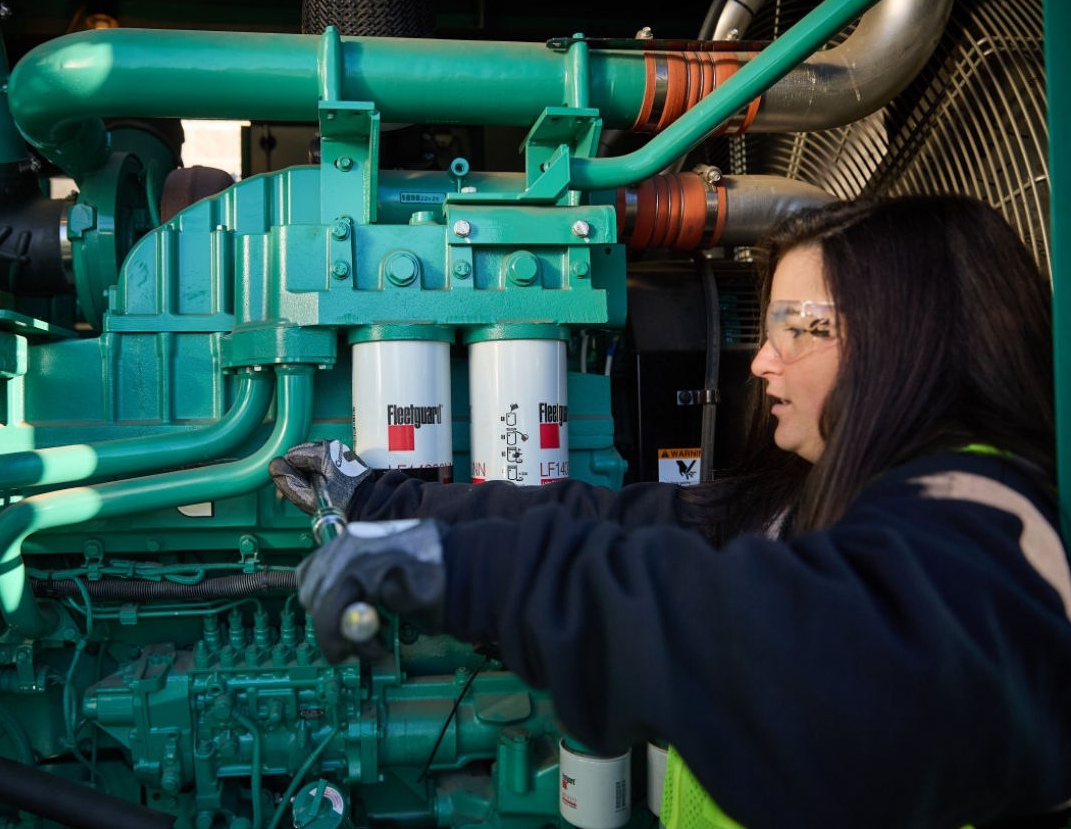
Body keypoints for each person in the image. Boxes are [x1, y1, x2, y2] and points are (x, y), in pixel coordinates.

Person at [269, 195, 1071, 829]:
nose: (761, 361)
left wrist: (470, 571)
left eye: (802, 329)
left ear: (909, 341)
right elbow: (611, 523)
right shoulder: (808, 497)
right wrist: (386, 504)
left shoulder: (995, 530)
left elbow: (814, 662)